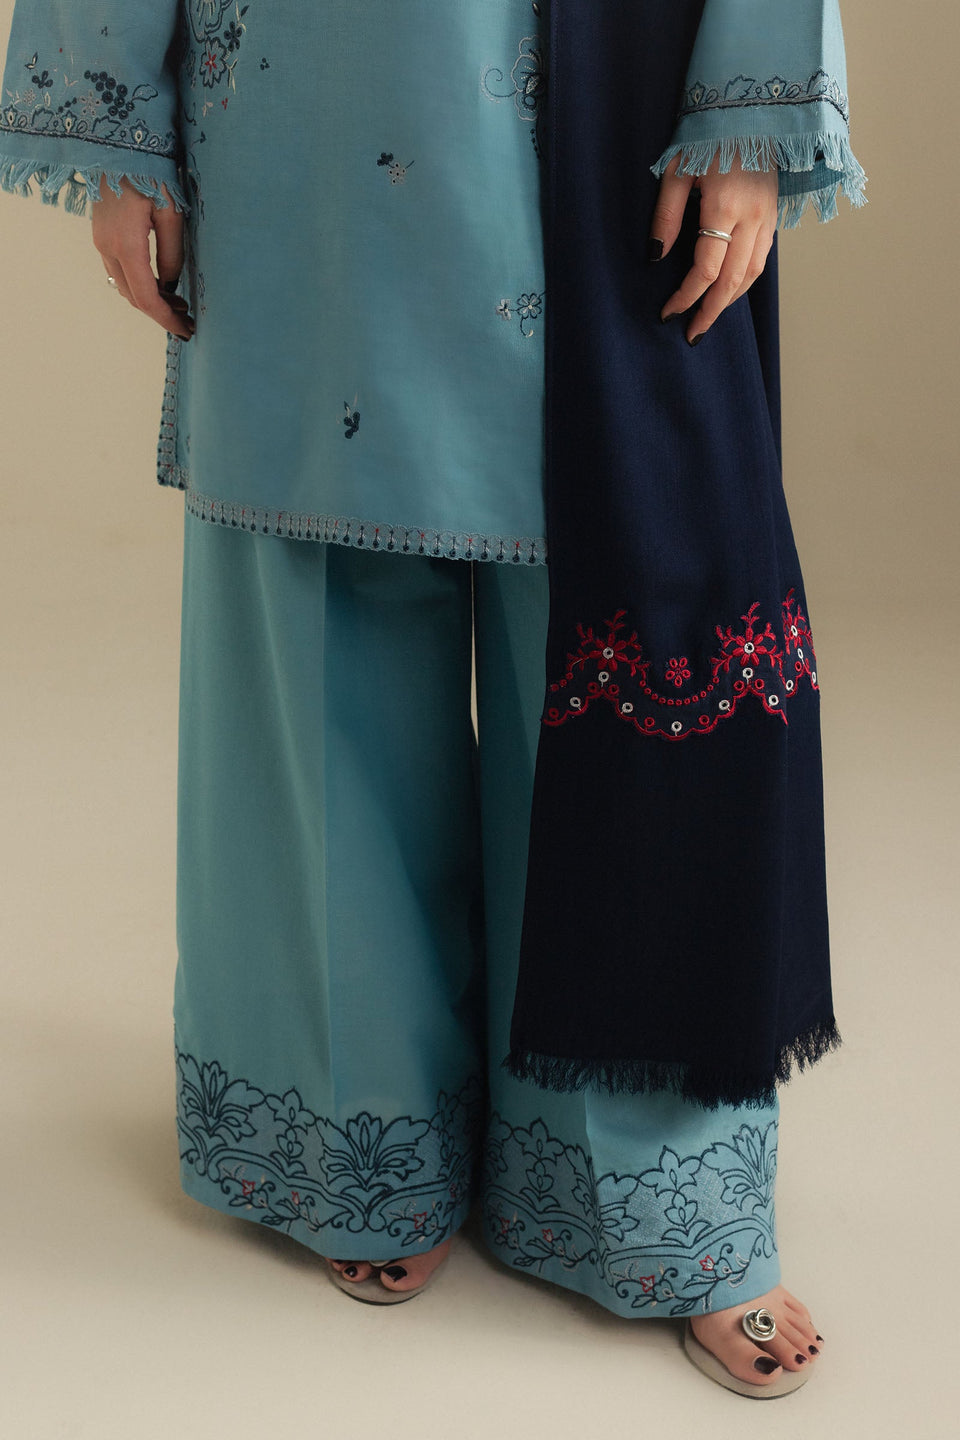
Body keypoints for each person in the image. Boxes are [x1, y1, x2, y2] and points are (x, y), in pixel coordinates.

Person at [0, 0, 863, 1398]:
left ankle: (657, 1205)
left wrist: (747, 123)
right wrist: (122, 132)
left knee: (626, 654)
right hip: (303, 124)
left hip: (612, 122)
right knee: (323, 652)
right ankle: (365, 1144)